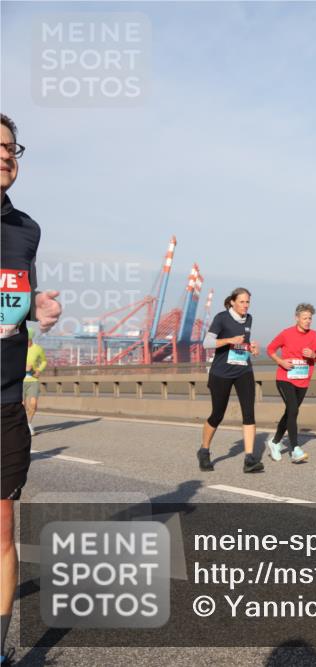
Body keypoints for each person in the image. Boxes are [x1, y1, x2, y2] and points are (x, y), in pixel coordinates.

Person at [1, 113, 62, 665]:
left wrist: (40, 308)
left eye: (11, 147)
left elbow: (23, 300)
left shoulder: (26, 229)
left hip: (3, 402)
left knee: (1, 533)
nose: (4, 154)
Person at [198, 287, 264, 473]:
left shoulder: (249, 319)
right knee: (217, 414)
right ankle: (204, 451)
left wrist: (252, 349)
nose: (245, 305)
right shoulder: (221, 318)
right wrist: (228, 340)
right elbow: (207, 343)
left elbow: (242, 344)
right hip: (221, 373)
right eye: (242, 302)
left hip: (243, 370)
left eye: (247, 302)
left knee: (249, 413)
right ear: (233, 302)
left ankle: (249, 459)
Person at [266, 303, 316, 463]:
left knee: (290, 413)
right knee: (293, 410)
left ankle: (274, 442)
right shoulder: (286, 334)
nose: (308, 321)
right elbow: (270, 349)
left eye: (310, 318)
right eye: (305, 318)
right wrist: (281, 362)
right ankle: (295, 449)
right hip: (285, 378)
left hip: (303, 381)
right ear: (297, 318)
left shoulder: (314, 336)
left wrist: (314, 354)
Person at [22, 327, 46, 435]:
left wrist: (39, 370)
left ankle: (28, 423)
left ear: (30, 338)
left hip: (33, 380)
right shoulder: (17, 348)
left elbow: (44, 361)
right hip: (20, 381)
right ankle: (20, 425)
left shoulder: (38, 349)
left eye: (27, 338)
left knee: (33, 404)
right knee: (21, 405)